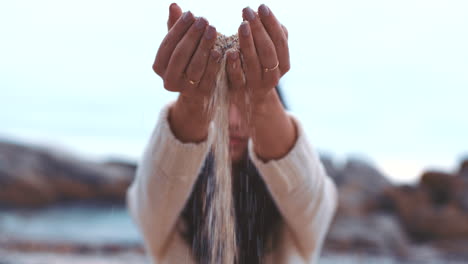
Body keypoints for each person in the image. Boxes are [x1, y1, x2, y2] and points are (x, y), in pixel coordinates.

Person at [126, 3, 338, 264]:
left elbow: (310, 200)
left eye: (242, 106)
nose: (234, 122)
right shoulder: (171, 205)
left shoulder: (293, 216)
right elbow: (151, 201)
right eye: (221, 105)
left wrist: (260, 100)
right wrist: (193, 103)